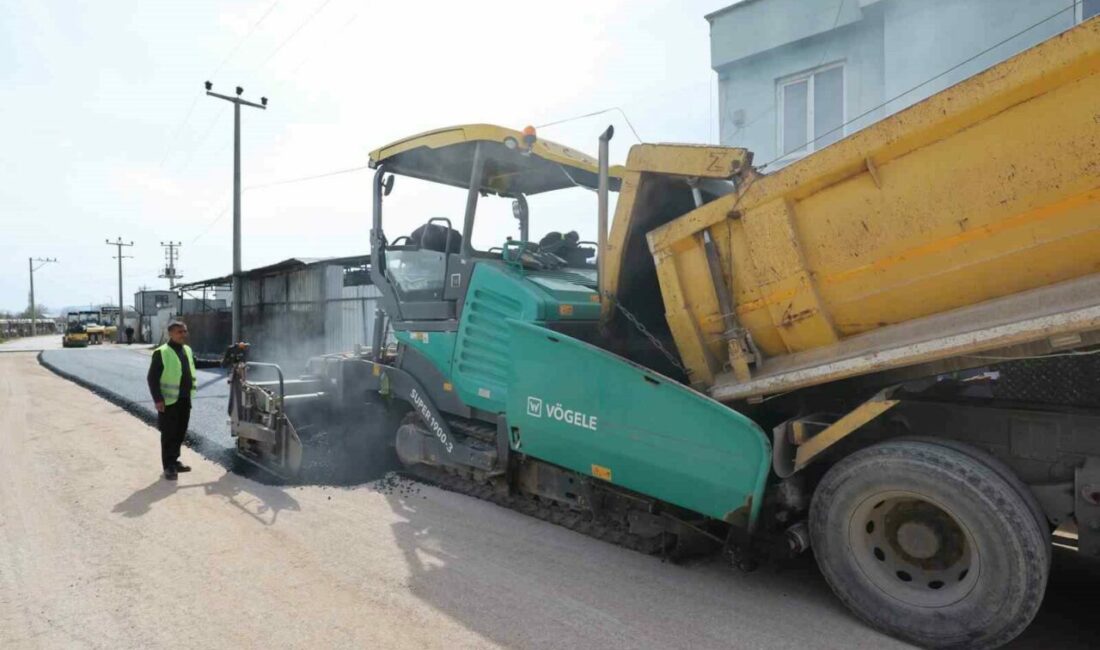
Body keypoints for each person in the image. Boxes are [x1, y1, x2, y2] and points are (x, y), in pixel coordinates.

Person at [146, 320, 196, 480]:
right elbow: (152, 378)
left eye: (184, 331)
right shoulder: (162, 352)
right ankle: (168, 466)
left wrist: (220, 362)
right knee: (169, 433)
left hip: (185, 398)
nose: (183, 334)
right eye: (179, 332)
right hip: (169, 401)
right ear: (171, 333)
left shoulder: (186, 350)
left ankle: (174, 461)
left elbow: (196, 363)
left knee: (181, 431)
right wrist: (158, 399)